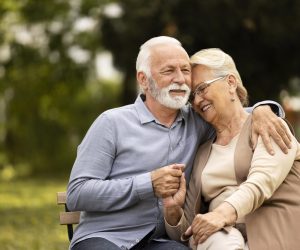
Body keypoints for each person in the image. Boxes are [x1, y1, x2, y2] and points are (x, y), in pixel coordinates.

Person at [66, 36, 290, 250]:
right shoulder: (111, 123)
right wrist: (148, 184)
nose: (181, 79)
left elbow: (236, 114)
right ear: (143, 79)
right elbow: (77, 193)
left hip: (159, 242)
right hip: (106, 237)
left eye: (185, 70)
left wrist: (265, 109)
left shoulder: (198, 121)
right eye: (168, 71)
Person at [163, 48, 300, 250]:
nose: (198, 101)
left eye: (202, 89)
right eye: (192, 96)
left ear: (231, 83)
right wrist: (174, 212)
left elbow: (261, 182)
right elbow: (189, 231)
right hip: (221, 241)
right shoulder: (202, 153)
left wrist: (220, 215)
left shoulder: (268, 125)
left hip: (273, 238)